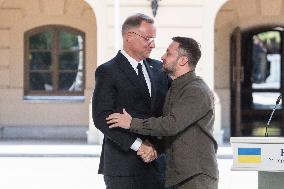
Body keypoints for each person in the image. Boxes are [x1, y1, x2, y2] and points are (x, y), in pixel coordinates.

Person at [107, 37, 219, 189]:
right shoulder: (175, 87)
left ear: (183, 60)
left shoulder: (196, 90)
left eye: (169, 53)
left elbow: (171, 124)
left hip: (196, 177)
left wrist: (131, 123)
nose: (162, 57)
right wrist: (156, 148)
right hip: (178, 176)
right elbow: (175, 134)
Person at [92, 13, 169, 189]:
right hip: (123, 167)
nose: (153, 44)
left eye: (154, 38)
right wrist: (139, 146)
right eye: (148, 38)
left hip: (158, 164)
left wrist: (156, 148)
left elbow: (170, 111)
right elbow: (101, 117)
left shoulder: (159, 68)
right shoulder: (107, 71)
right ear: (129, 37)